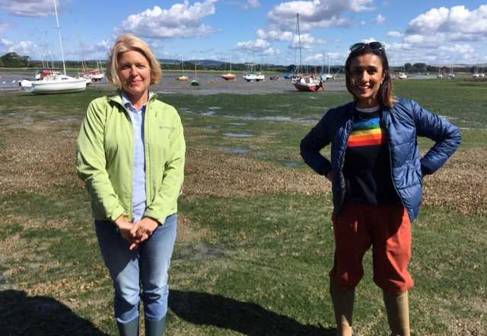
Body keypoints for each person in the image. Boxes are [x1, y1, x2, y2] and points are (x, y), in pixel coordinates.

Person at [300, 42, 461, 336]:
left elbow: (450, 135)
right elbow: (308, 147)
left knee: (394, 279)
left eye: (371, 70)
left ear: (384, 74)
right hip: (351, 211)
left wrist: (421, 169)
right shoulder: (338, 117)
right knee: (344, 275)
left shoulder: (406, 111)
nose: (363, 78)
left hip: (393, 213)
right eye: (356, 71)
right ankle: (344, 333)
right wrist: (327, 170)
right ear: (348, 76)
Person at [76, 34, 185, 336]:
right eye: (126, 66)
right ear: (116, 71)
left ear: (152, 69)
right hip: (113, 223)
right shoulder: (100, 110)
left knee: (156, 288)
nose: (133, 72)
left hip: (161, 223)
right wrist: (120, 219)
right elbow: (90, 167)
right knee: (126, 292)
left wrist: (152, 218)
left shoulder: (169, 115)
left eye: (140, 65)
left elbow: (175, 170)